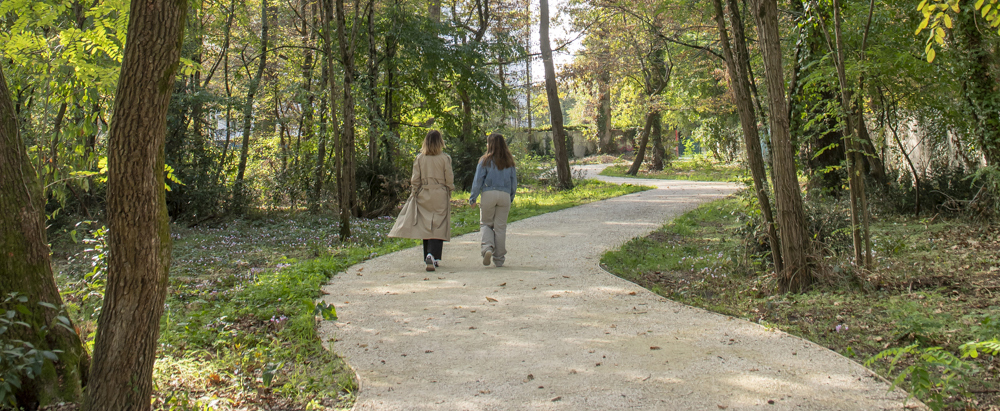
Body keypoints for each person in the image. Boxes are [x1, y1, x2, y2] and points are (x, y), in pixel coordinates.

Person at [388, 130, 455, 271]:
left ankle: (428, 256)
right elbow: (449, 177)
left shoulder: (419, 158)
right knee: (438, 225)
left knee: (426, 225)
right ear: (440, 142)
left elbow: (415, 179)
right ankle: (433, 255)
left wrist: (414, 193)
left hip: (423, 193)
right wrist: (449, 190)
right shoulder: (445, 158)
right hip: (440, 194)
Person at [469, 133, 517, 267]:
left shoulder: (485, 161)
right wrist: (510, 197)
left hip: (489, 193)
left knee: (486, 223)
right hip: (504, 195)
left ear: (490, 145)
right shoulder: (509, 161)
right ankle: (499, 258)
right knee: (500, 228)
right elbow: (514, 182)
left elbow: (478, 180)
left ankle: (487, 248)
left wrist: (473, 197)